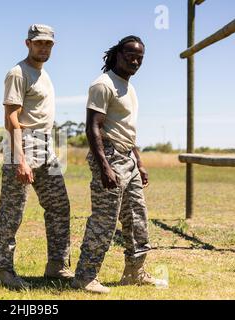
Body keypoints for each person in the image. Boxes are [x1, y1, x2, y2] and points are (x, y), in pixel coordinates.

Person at [71, 36, 162, 294]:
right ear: (117, 54)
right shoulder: (103, 84)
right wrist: (104, 166)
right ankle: (85, 276)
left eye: (140, 58)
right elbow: (93, 128)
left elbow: (127, 130)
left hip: (129, 158)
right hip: (109, 157)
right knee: (105, 219)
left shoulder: (129, 87)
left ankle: (134, 272)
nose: (135, 61)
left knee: (137, 216)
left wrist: (139, 163)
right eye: (130, 55)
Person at [0, 24, 73, 290]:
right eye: (39, 43)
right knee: (12, 211)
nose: (43, 47)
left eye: (48, 44)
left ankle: (57, 266)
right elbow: (11, 118)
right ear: (27, 43)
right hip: (24, 144)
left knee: (59, 205)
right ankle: (3, 270)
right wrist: (21, 159)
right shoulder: (18, 73)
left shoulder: (44, 75)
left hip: (47, 145)